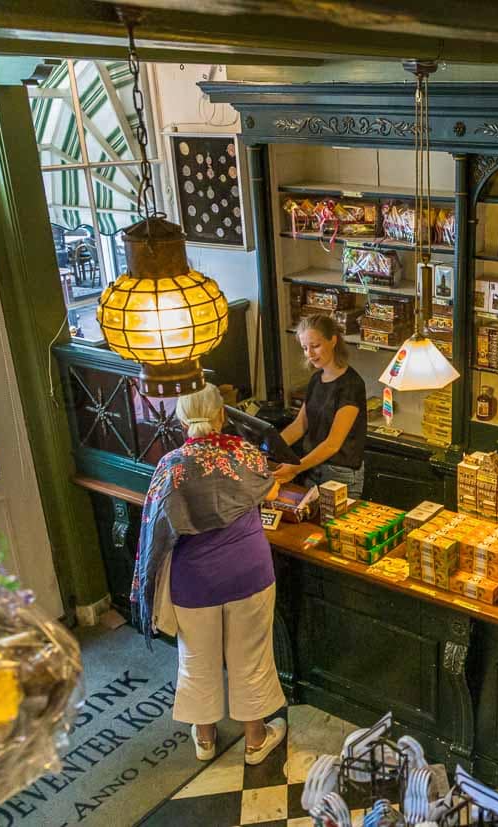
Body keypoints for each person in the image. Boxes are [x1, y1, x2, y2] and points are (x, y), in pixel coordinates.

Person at [133, 383, 287, 765]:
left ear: (181, 419)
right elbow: (271, 491)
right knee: (251, 658)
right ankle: (255, 740)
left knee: (197, 660)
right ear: (221, 415)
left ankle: (204, 739)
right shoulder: (245, 453)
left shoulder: (171, 466)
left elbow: (157, 528)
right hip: (249, 572)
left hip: (194, 581)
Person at [275, 314, 367, 492]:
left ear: (333, 340)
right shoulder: (316, 379)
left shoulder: (351, 385)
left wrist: (295, 468)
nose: (309, 354)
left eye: (315, 346)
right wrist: (268, 447)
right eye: (305, 348)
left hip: (340, 473)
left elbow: (333, 444)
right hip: (312, 467)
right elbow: (300, 425)